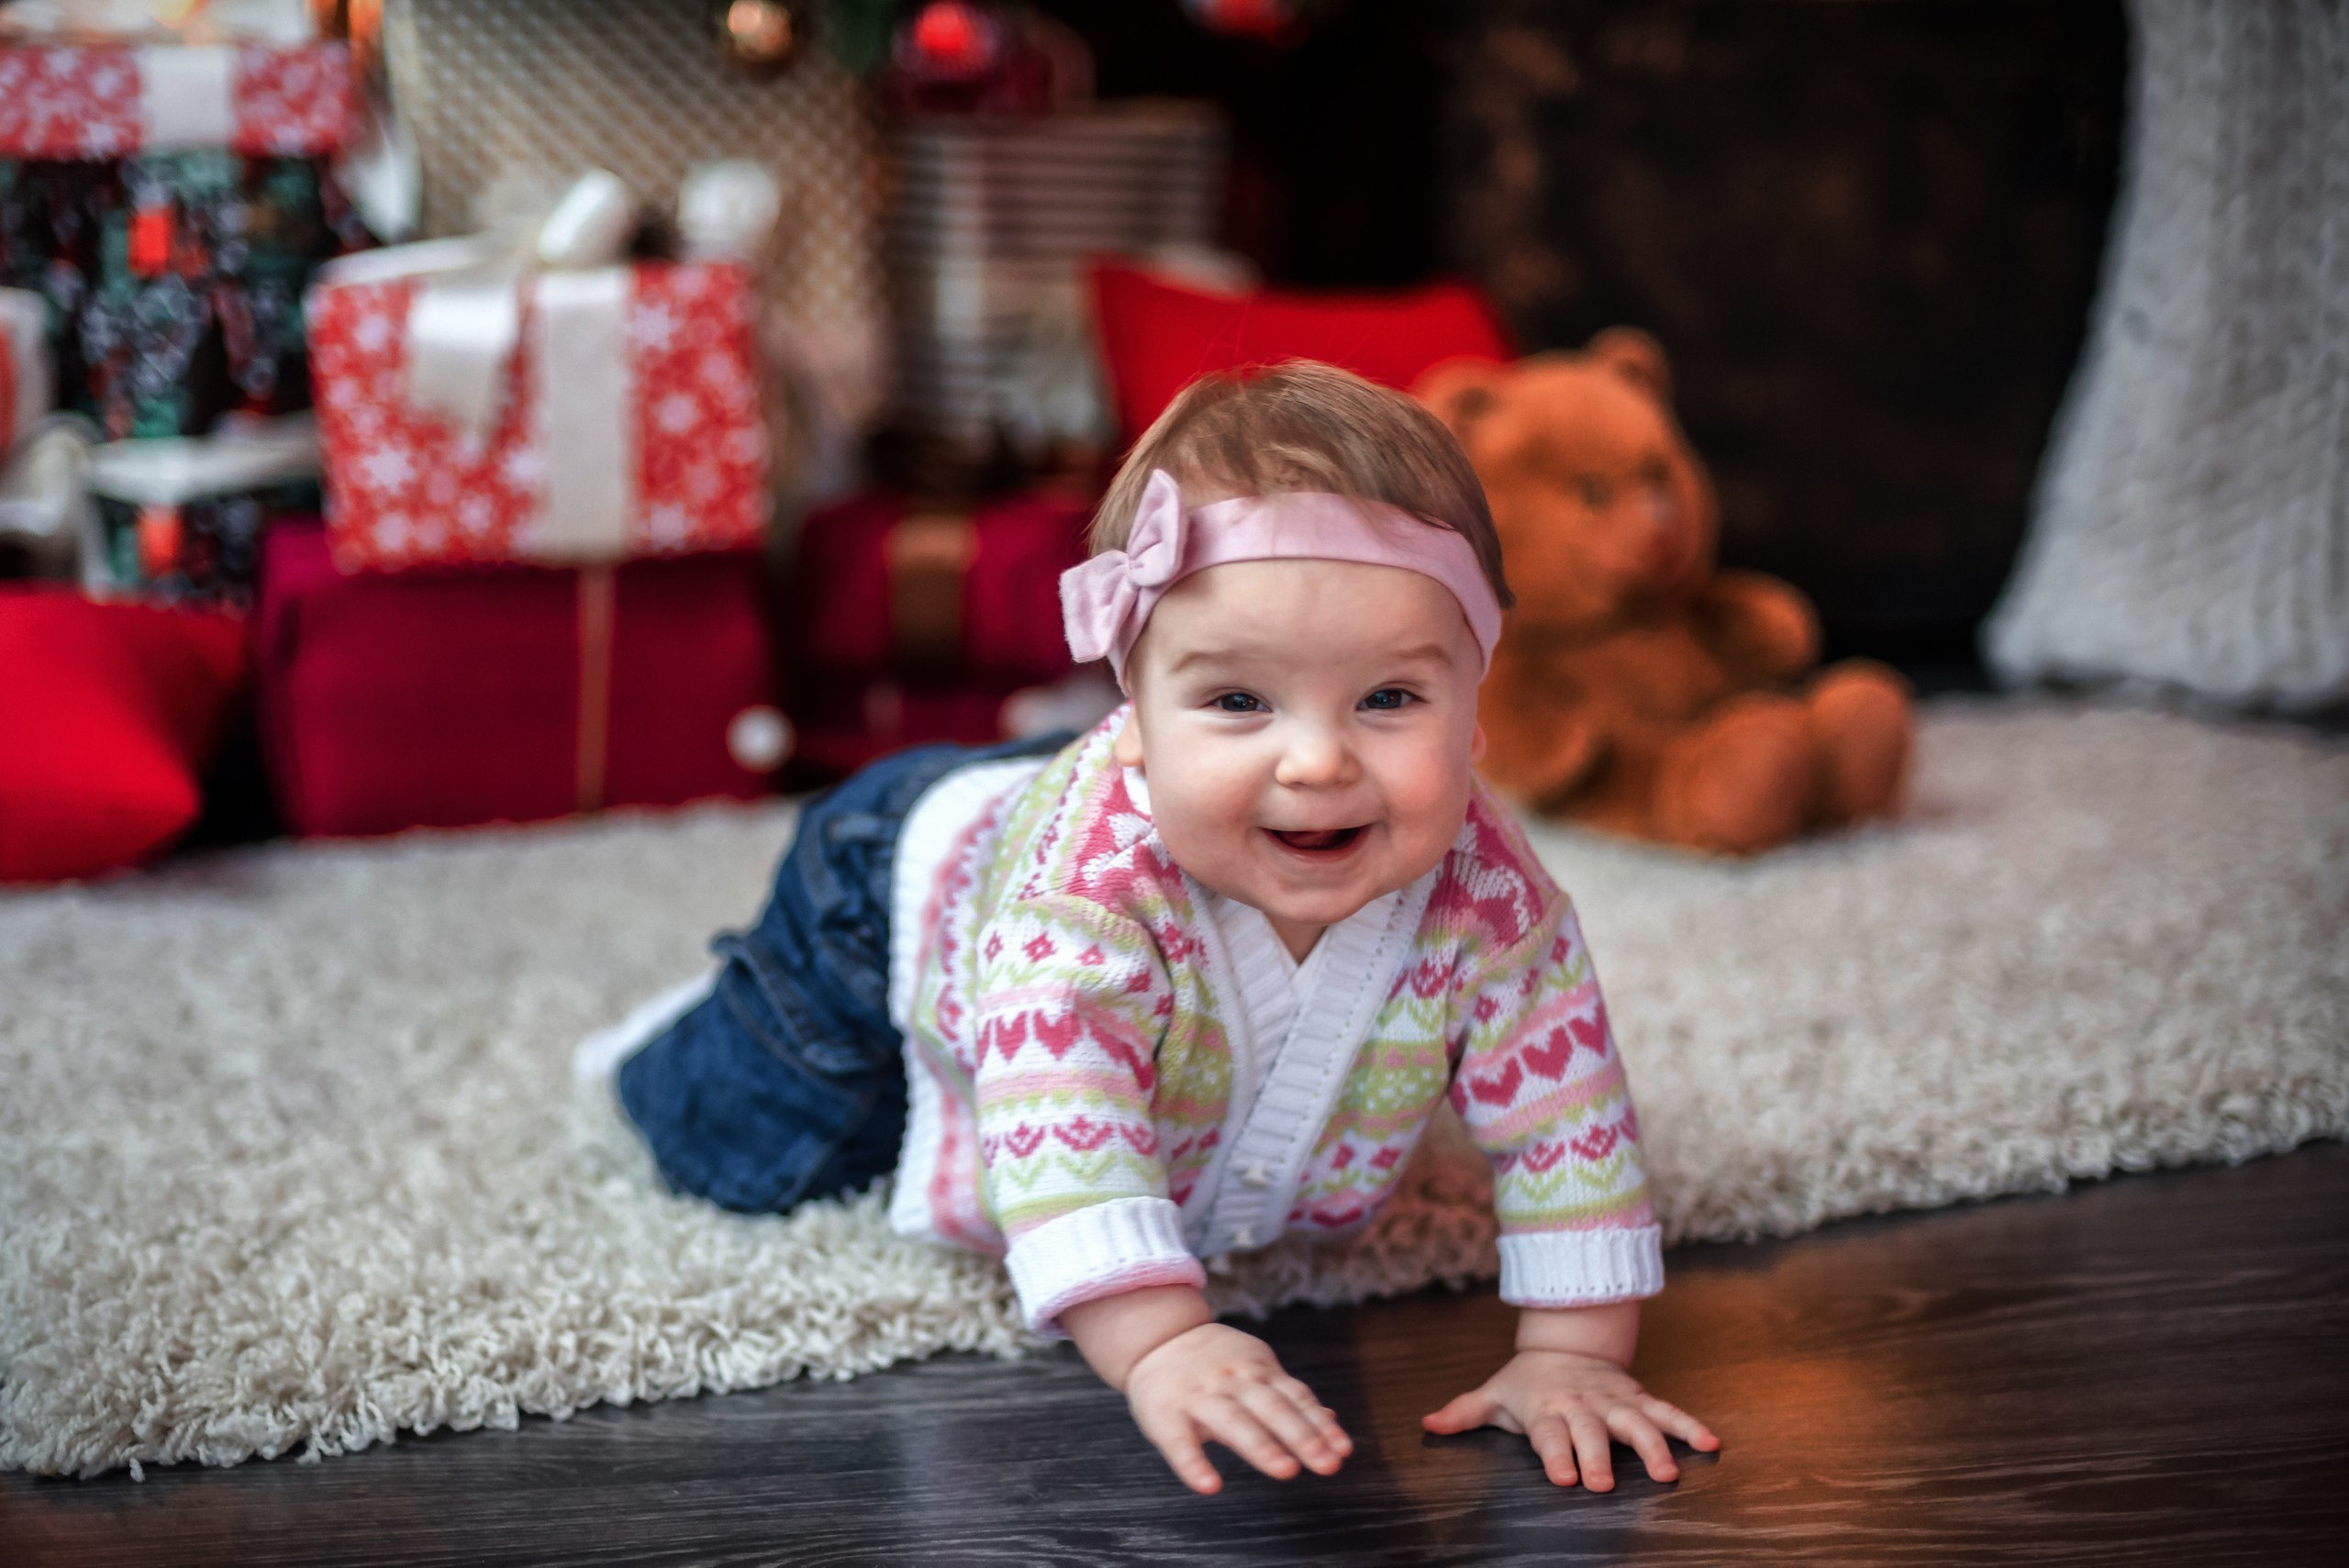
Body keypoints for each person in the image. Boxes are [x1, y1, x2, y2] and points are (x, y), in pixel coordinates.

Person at [577, 361, 1720, 1495]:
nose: (1317, 760)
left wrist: (1569, 1355)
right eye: (1237, 699)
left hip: (1119, 808)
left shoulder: (1495, 899)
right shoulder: (1082, 903)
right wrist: (1163, 1336)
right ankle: (694, 1025)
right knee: (749, 1148)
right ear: (1130, 713)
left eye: (1387, 698)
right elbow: (1060, 1114)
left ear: (1476, 713)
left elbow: (1565, 1117)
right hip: (878, 902)